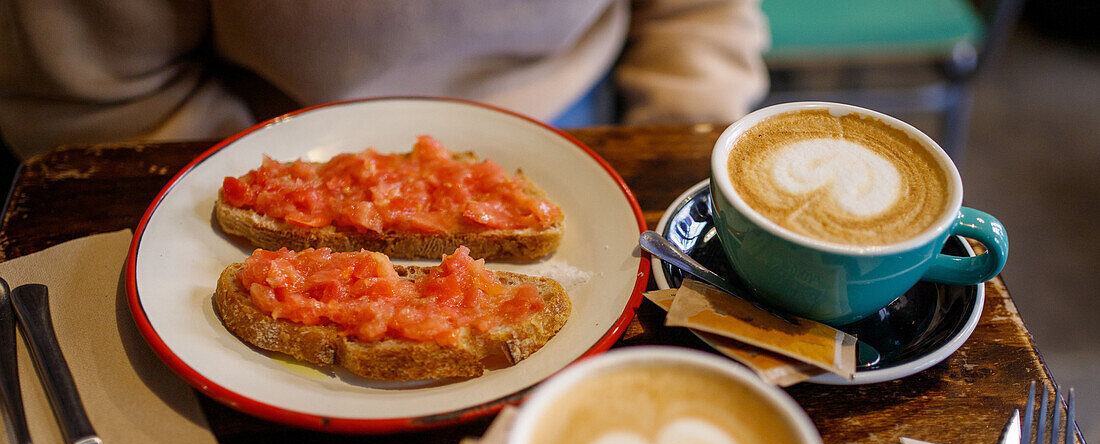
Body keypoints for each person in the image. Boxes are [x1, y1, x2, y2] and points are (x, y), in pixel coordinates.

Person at [0, 0, 769, 161]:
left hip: (589, 117)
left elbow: (697, 16)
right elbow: (100, 94)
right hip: (261, 141)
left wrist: (679, 149)